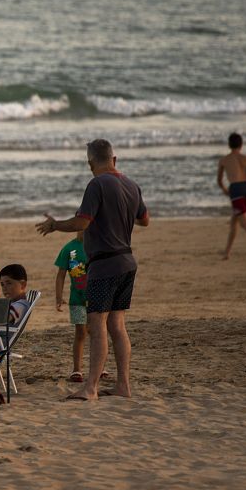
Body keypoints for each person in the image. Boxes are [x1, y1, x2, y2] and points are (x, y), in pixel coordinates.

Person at [36, 139, 149, 401]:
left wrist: (54, 226)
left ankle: (91, 387)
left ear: (90, 163)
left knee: (96, 324)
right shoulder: (132, 185)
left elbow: (82, 222)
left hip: (104, 264)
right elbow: (144, 220)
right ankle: (123, 385)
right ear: (114, 159)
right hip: (127, 262)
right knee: (117, 324)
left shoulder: (96, 184)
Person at [54, 231, 90, 382]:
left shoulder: (98, 245)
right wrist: (59, 297)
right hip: (77, 299)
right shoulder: (69, 248)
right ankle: (77, 369)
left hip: (97, 298)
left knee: (97, 332)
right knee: (81, 332)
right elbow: (61, 274)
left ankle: (99, 366)